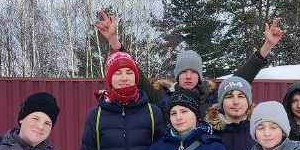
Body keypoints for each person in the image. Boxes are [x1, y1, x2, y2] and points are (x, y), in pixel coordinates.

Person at [93, 11, 285, 119]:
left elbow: (241, 79)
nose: (188, 75)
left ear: (199, 76)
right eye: (183, 71)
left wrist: (267, 45)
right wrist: (113, 40)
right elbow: (136, 72)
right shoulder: (162, 97)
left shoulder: (212, 98)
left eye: (193, 72)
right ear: (176, 75)